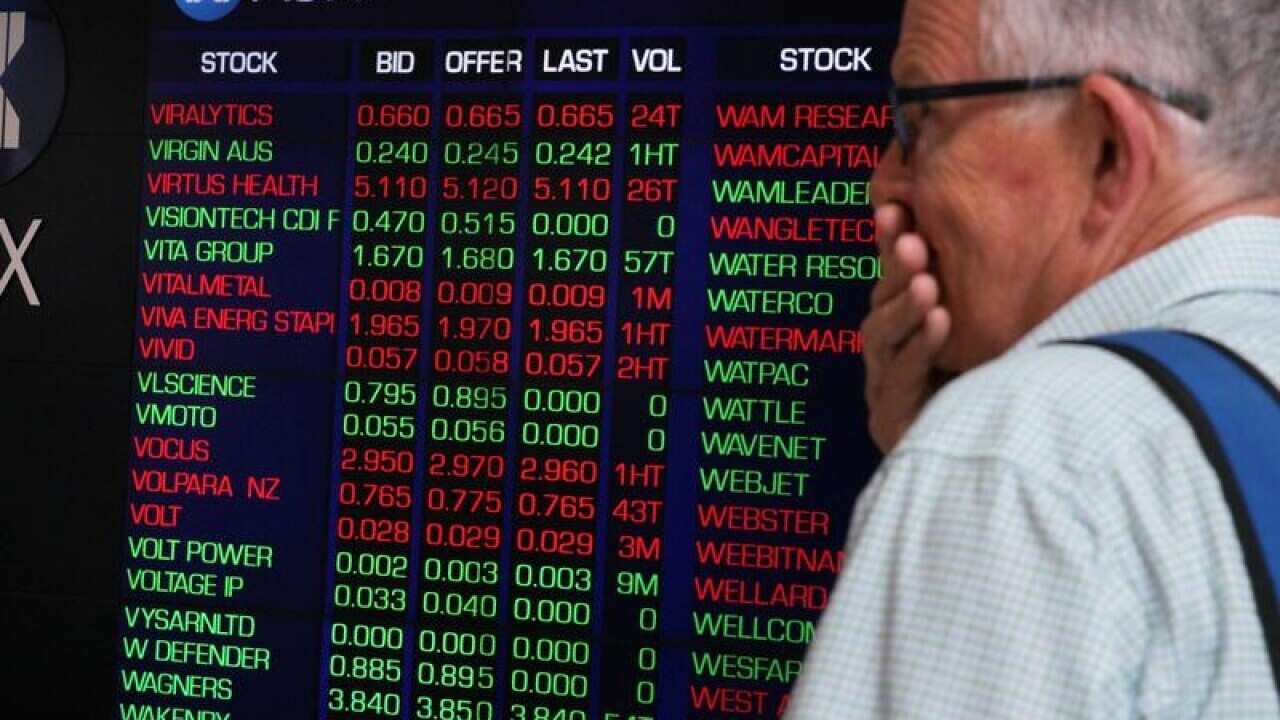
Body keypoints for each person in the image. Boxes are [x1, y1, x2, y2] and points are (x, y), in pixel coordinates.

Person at [785, 0, 1280, 717]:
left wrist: (963, 462)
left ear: (1107, 145)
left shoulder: (1026, 457)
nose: (884, 182)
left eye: (918, 122)